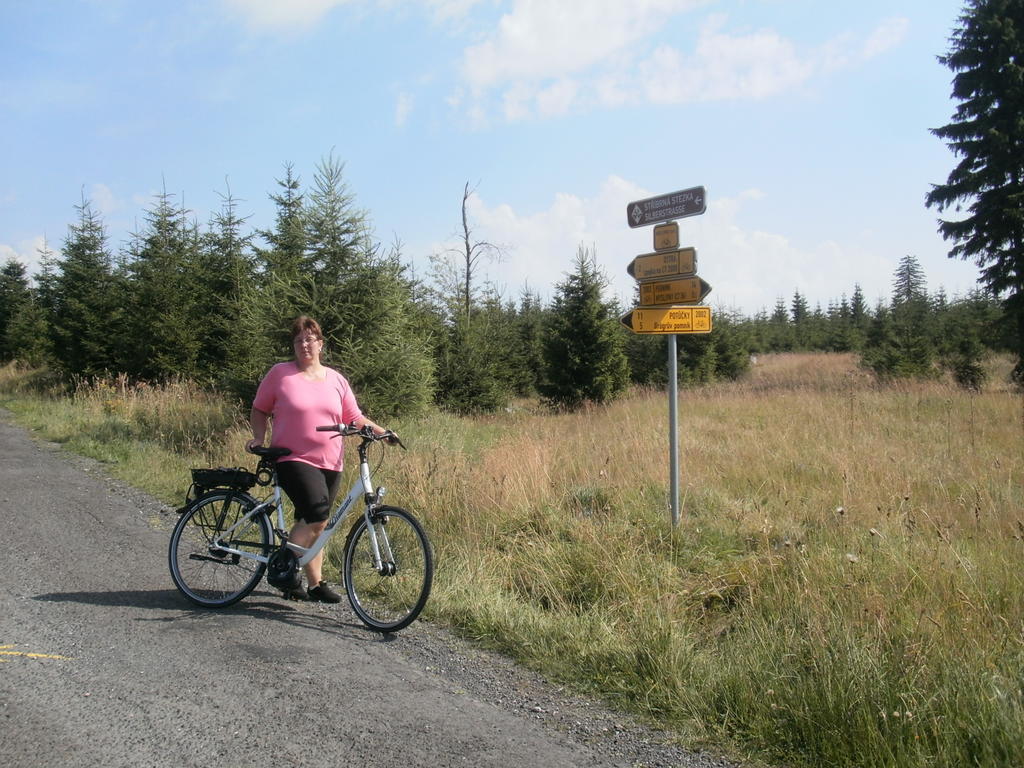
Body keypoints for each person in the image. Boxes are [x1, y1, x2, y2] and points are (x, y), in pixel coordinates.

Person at [246, 315, 395, 602]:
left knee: (316, 522)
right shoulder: (280, 374)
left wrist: (382, 432)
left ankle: (314, 585)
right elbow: (259, 408)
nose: (304, 344)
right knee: (317, 514)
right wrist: (258, 437)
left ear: (320, 344)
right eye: (298, 340)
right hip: (293, 458)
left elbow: (354, 417)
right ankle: (284, 567)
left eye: (310, 339)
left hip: (330, 460)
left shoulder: (336, 380)